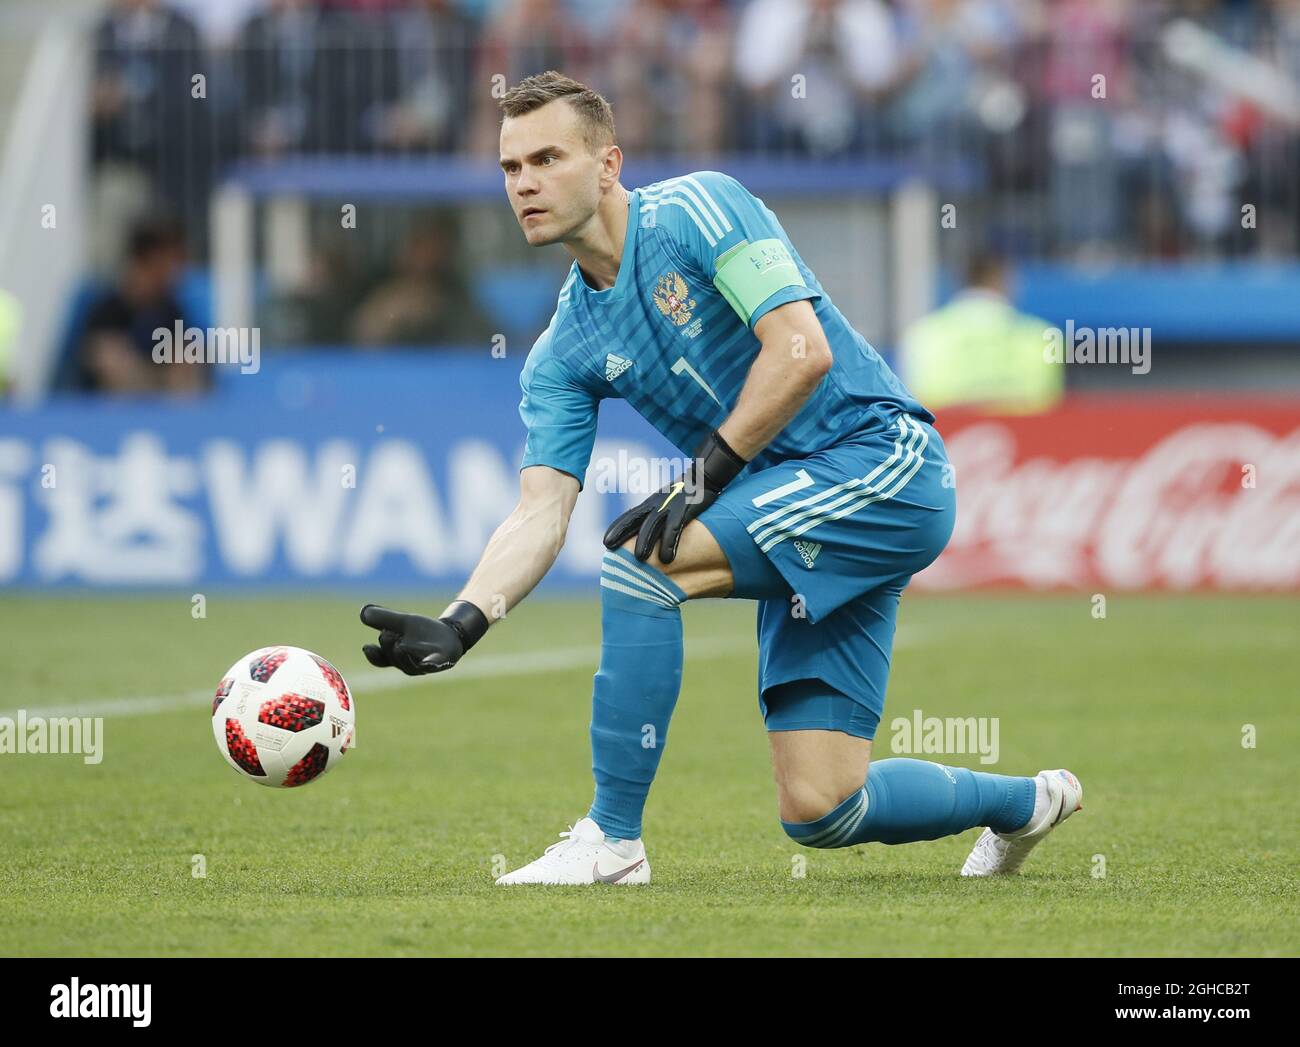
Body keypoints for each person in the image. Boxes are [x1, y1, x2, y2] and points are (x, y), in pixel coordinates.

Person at [359, 72, 1082, 885]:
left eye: (547, 157)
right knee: (821, 805)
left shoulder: (700, 210)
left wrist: (707, 475)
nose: (523, 181)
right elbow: (541, 509)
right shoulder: (562, 349)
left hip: (880, 465)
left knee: (641, 566)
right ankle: (1029, 801)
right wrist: (463, 621)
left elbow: (801, 350)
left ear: (607, 165)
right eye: (509, 167)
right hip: (795, 512)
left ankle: (612, 839)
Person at [900, 252, 1064, 414]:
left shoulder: (923, 335)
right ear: (1006, 281)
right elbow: (1049, 401)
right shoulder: (1041, 336)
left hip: (948, 436)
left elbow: (916, 405)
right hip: (1029, 435)